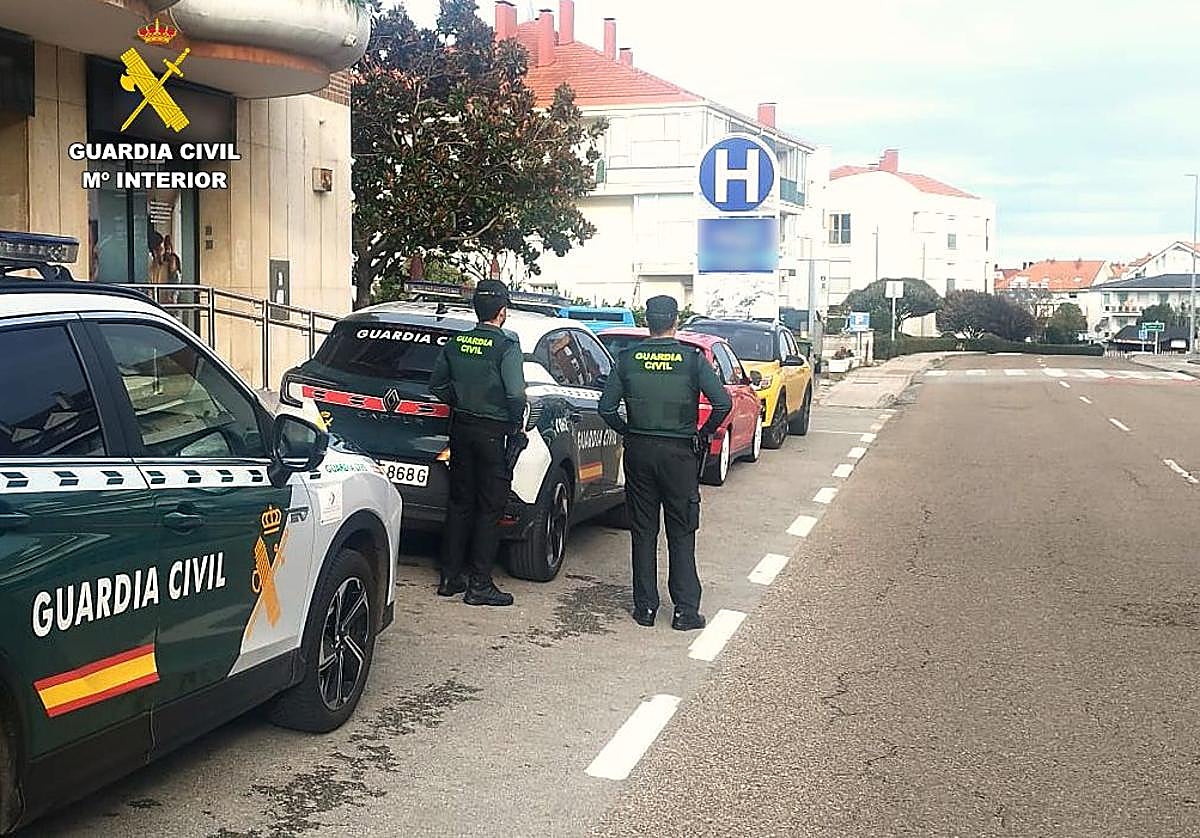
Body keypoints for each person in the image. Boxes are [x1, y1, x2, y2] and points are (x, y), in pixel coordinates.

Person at [599, 295, 732, 631]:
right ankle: (685, 611)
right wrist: (703, 435)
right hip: (679, 455)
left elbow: (606, 408)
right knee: (682, 529)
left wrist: (629, 432)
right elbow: (722, 403)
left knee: (643, 530)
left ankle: (645, 608)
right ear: (675, 321)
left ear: (648, 320)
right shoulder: (692, 359)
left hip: (640, 450)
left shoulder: (628, 359)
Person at [429, 280, 527, 607]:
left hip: (461, 427)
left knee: (459, 503)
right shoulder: (506, 345)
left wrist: (458, 401)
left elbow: (437, 384)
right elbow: (515, 393)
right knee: (490, 507)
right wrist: (515, 421)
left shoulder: (457, 342)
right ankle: (480, 584)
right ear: (502, 311)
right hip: (493, 431)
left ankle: (449, 578)